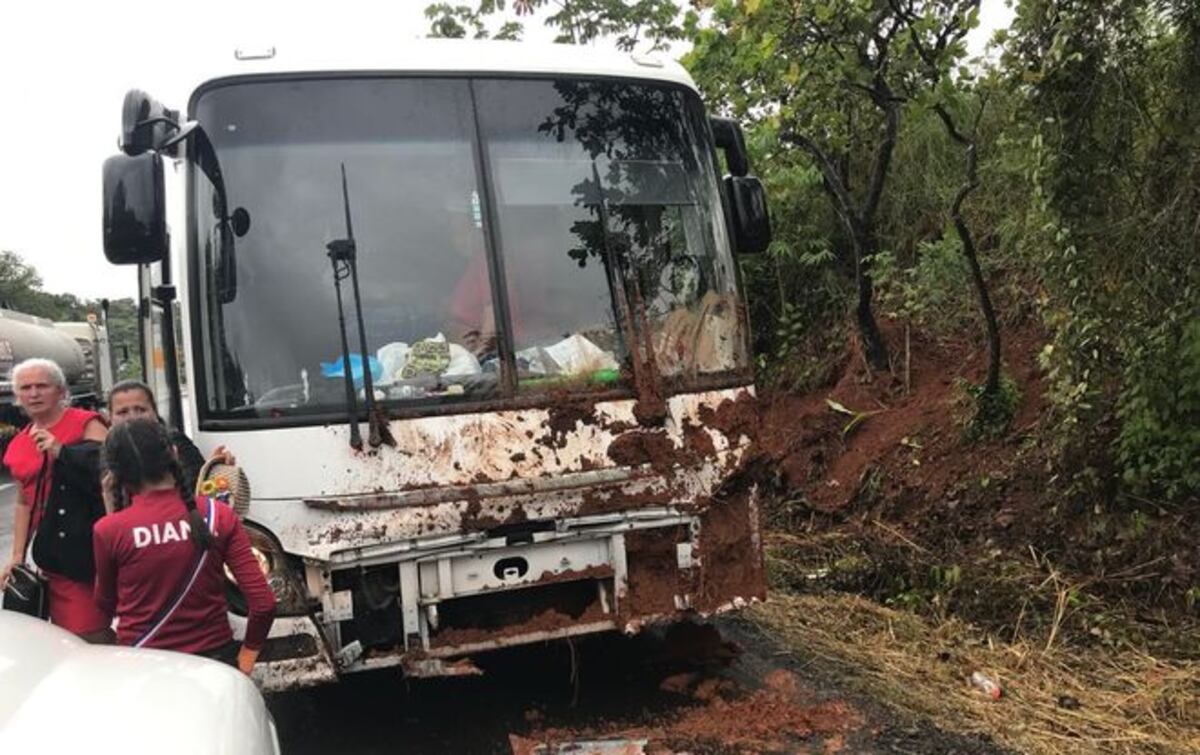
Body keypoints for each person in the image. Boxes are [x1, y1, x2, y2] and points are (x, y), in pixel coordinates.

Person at [92, 418, 275, 673]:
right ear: (174, 453)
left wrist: (111, 510)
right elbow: (264, 603)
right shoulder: (218, 515)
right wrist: (247, 657)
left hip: (144, 669)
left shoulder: (109, 530)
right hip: (215, 665)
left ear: (114, 475)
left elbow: (105, 605)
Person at [0, 358, 112, 640]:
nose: (34, 394)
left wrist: (63, 452)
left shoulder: (86, 424)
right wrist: (17, 557)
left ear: (61, 391)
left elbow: (112, 475)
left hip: (89, 551)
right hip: (53, 556)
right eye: (26, 388)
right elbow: (24, 502)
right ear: (17, 396)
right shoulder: (18, 444)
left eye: (42, 386)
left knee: (88, 635)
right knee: (60, 635)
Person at [107, 379, 235, 494]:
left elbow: (195, 487)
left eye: (141, 409)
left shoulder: (176, 442)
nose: (133, 417)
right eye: (123, 412)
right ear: (110, 418)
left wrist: (211, 469)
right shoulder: (102, 454)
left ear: (155, 412)